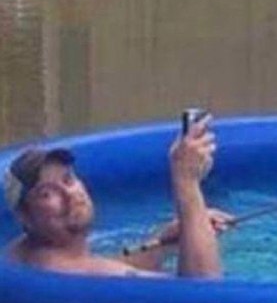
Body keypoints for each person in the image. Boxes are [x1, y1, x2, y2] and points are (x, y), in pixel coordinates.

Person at [2, 116, 230, 278]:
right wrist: (186, 183)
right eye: (47, 193)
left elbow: (98, 266)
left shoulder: (24, 253)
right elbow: (202, 291)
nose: (69, 194)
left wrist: (164, 241)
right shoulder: (78, 276)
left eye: (68, 179)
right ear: (25, 217)